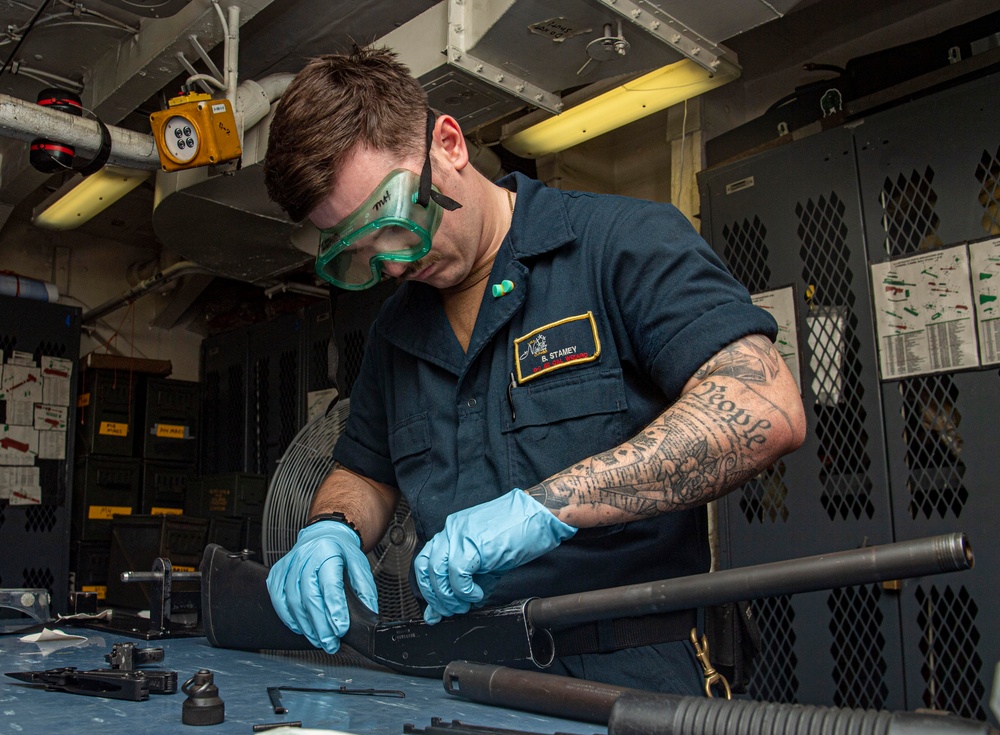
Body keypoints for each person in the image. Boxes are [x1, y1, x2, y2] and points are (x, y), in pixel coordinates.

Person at [262, 45, 806, 695]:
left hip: (632, 666)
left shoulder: (621, 244)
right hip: (466, 670)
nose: (395, 264)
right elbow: (364, 473)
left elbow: (763, 407)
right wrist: (330, 528)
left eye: (397, 222)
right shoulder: (396, 334)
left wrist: (547, 509)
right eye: (362, 251)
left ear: (449, 144)